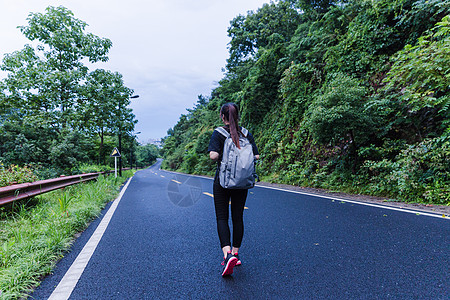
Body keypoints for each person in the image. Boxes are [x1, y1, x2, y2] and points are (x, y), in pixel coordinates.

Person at [208, 103, 259, 276]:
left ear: (223, 116)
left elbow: (213, 155)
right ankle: (236, 254)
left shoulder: (219, 133)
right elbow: (256, 155)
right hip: (242, 182)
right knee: (238, 217)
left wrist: (219, 153)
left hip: (222, 182)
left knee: (222, 217)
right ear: (237, 115)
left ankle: (227, 254)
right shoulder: (246, 133)